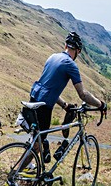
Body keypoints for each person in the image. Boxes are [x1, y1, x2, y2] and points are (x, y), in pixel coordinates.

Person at [25, 32, 106, 164]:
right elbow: (83, 94)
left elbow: (48, 88)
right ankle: (13, 177)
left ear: (65, 45)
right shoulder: (71, 64)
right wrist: (101, 105)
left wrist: (64, 105)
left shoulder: (52, 57)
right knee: (37, 145)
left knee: (36, 139)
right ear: (78, 51)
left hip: (34, 97)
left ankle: (31, 166)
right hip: (44, 105)